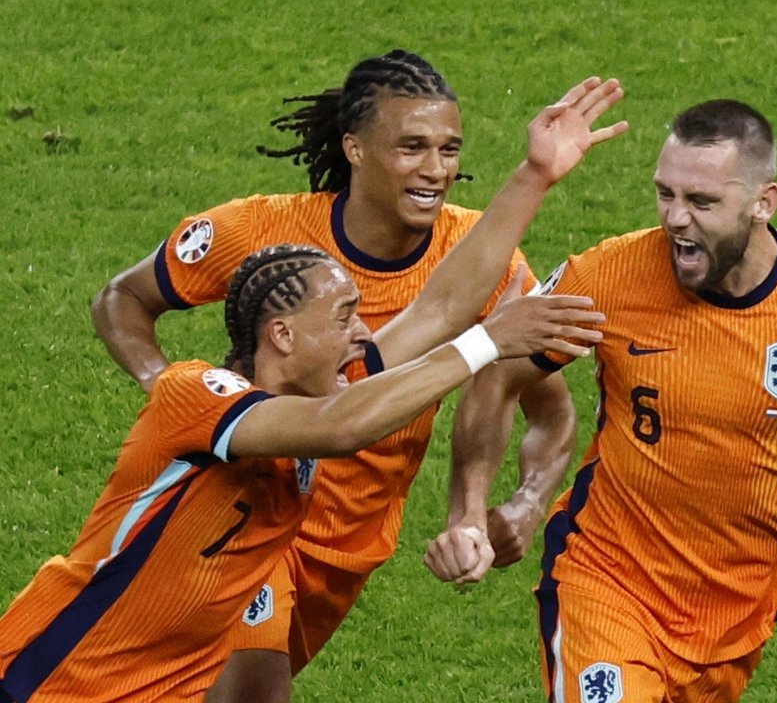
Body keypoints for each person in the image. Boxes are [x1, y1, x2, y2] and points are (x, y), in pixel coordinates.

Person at [0, 76, 625, 703]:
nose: (365, 331)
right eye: (343, 317)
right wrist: (485, 343)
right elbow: (344, 426)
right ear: (283, 335)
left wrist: (535, 176)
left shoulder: (318, 390)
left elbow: (440, 308)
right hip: (50, 681)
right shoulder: (205, 398)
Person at [426, 99, 777, 702]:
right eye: (665, 194)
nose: (675, 218)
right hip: (606, 577)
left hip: (739, 606)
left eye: (701, 202)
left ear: (763, 203)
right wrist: (474, 511)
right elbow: (497, 374)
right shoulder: (608, 277)